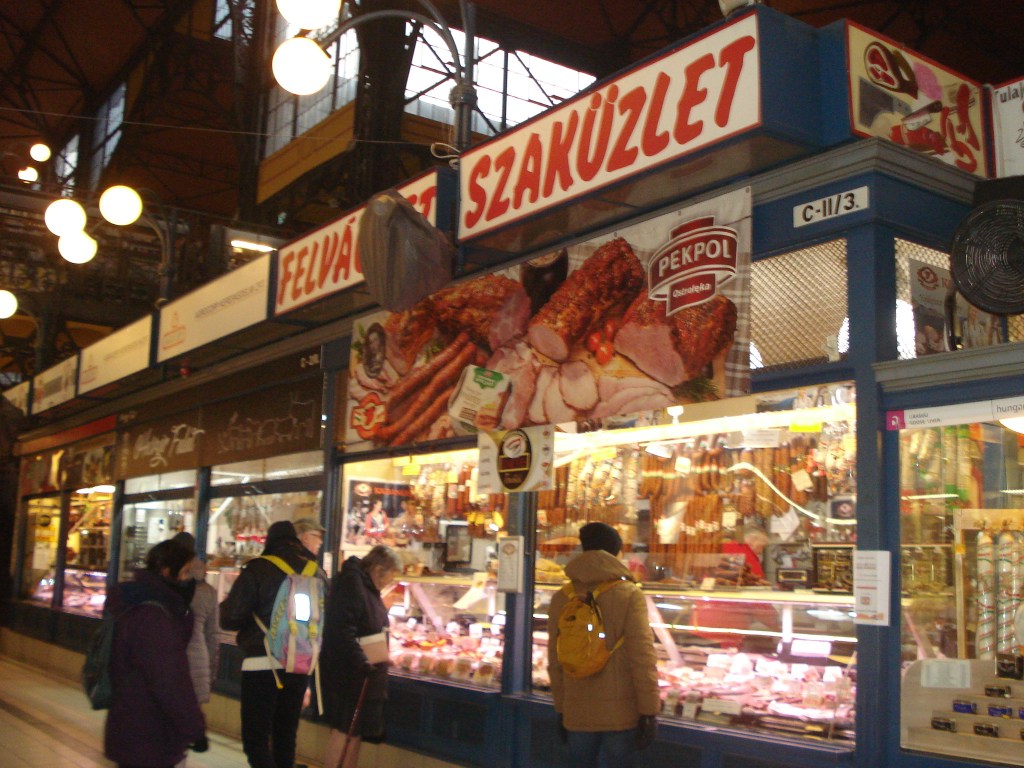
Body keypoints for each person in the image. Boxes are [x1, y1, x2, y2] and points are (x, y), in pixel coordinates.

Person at [547, 522, 660, 768]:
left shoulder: (562, 597)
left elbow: (555, 660)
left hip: (576, 711)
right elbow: (642, 657)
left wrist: (561, 708)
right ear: (616, 552)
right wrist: (649, 710)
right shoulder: (629, 594)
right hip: (620, 715)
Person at [219, 520, 328, 768]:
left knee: (256, 740)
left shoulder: (258, 569)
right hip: (299, 664)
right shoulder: (316, 572)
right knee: (285, 737)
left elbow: (230, 618)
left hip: (262, 662)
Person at [104, 538, 208, 768]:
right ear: (167, 572)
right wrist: (194, 729)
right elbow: (169, 681)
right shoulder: (155, 617)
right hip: (149, 732)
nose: (189, 579)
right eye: (185, 572)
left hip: (133, 723)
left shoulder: (140, 604)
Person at [320, 545, 402, 768]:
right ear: (377, 569)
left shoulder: (365, 586)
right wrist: (362, 661)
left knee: (354, 733)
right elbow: (342, 631)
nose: (390, 582)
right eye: (390, 576)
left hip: (362, 672)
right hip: (350, 674)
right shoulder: (353, 585)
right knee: (344, 731)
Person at [171, 532, 220, 707]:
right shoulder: (208, 591)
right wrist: (211, 673)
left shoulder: (165, 585)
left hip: (168, 663)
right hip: (197, 663)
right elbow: (213, 636)